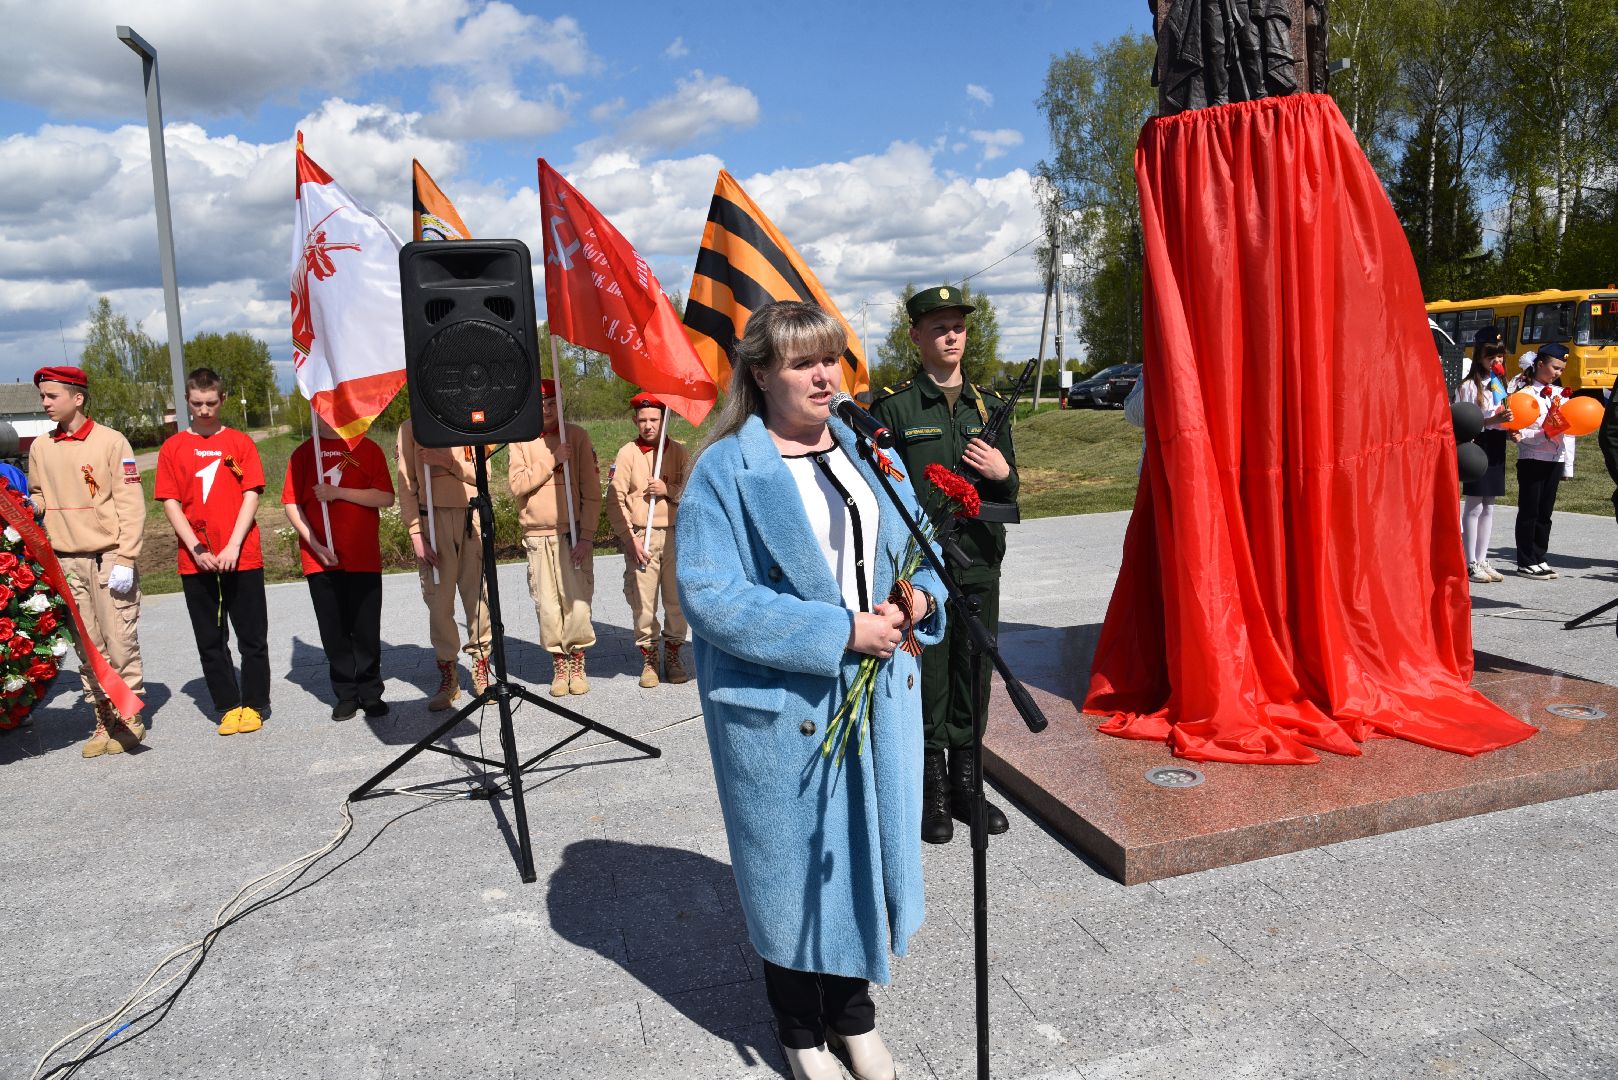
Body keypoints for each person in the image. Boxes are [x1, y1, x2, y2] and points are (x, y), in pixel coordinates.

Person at [676, 300, 944, 1080]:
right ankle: (799, 1032)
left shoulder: (871, 450)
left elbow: (922, 553)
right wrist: (838, 634)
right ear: (760, 375)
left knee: (859, 856)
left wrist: (920, 600)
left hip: (877, 703)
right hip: (783, 711)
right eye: (801, 362)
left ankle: (853, 1017)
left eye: (830, 358)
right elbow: (712, 596)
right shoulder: (727, 468)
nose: (823, 375)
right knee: (789, 872)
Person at [869, 285, 1018, 844]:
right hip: (921, 567)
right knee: (928, 676)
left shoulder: (988, 408)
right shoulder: (895, 408)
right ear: (916, 336)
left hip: (978, 563)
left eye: (957, 325)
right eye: (938, 327)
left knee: (973, 674)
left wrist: (1002, 470)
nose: (950, 335)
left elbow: (1014, 492)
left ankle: (968, 786)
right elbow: (881, 495)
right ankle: (930, 790)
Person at [28, 365, 146, 757]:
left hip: (107, 558)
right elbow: (40, 495)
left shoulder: (112, 443)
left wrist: (126, 556)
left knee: (119, 641)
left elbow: (131, 505)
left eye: (51, 396)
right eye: (43, 396)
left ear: (77, 398)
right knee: (87, 646)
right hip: (65, 560)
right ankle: (103, 716)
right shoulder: (40, 447)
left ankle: (129, 715)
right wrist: (29, 506)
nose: (45, 403)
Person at [155, 368, 269, 735]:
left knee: (252, 636)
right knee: (210, 637)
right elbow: (171, 502)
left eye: (210, 403)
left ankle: (254, 703)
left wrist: (234, 544)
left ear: (222, 401)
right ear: (187, 402)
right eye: (196, 403)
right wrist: (196, 546)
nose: (204, 410)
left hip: (242, 553)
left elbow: (251, 494)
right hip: (196, 558)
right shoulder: (173, 448)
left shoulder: (240, 443)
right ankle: (226, 704)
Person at [282, 416, 395, 720]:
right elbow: (291, 503)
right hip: (320, 558)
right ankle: (346, 693)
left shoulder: (367, 449)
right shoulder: (303, 454)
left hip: (362, 556)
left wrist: (339, 493)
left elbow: (386, 497)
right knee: (333, 629)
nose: (326, 417)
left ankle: (371, 691)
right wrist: (315, 544)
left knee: (366, 628)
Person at [508, 380, 601, 696]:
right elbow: (518, 485)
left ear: (560, 405)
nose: (547, 410)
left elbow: (591, 491)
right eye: (541, 404)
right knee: (547, 605)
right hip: (538, 537)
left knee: (576, 602)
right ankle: (559, 664)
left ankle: (577, 661)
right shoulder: (519, 440)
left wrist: (587, 537)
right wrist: (552, 460)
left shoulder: (576, 436)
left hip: (571, 535)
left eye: (552, 404)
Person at [396, 419, 491, 710]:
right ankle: (448, 674)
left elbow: (482, 475)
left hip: (468, 517)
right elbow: (406, 485)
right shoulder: (412, 428)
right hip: (431, 522)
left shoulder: (468, 419)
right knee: (439, 603)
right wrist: (415, 533)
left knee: (477, 597)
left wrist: (446, 462)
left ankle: (481, 666)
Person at [606, 393, 691, 688]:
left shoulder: (679, 452)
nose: (648, 425)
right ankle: (649, 657)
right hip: (642, 536)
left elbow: (693, 494)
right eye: (642, 420)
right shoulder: (627, 453)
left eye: (653, 419)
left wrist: (667, 488)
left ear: (664, 420)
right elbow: (614, 499)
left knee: (676, 601)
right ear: (634, 421)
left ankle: (673, 654)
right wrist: (630, 539)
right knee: (643, 603)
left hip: (673, 535)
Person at [1509, 342, 1574, 579]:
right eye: (1555, 367)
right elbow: (1519, 432)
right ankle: (1525, 560)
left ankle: (1539, 556)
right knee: (1529, 510)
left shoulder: (1560, 394)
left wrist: (1567, 465)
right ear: (1539, 364)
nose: (1558, 373)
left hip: (1555, 459)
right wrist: (1542, 435)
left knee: (1545, 512)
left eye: (1561, 369)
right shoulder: (1524, 394)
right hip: (1533, 458)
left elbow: (1570, 431)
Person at [1454, 327, 1514, 583]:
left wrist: (1510, 427)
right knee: (1475, 503)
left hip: (1496, 443)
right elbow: (1464, 421)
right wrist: (1493, 420)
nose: (1497, 361)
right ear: (1479, 356)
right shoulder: (1469, 386)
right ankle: (1469, 561)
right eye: (1491, 356)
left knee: (1490, 504)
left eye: (1500, 356)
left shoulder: (1499, 384)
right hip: (1476, 444)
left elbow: (1503, 414)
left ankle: (1482, 557)